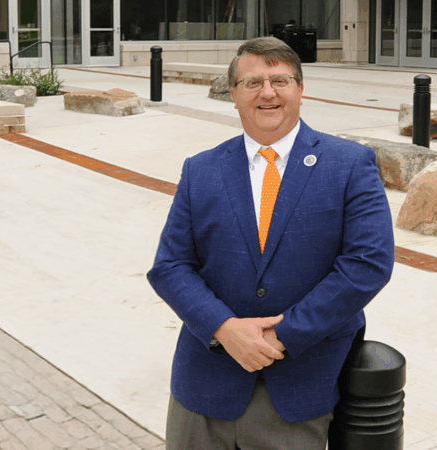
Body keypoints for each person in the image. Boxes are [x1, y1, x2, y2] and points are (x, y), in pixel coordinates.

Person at [147, 36, 395, 450]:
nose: (267, 93)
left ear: (300, 88)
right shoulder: (200, 169)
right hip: (204, 389)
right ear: (234, 94)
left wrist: (281, 336)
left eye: (279, 80)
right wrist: (224, 329)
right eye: (253, 83)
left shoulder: (350, 164)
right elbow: (170, 266)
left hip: (300, 387)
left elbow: (367, 265)